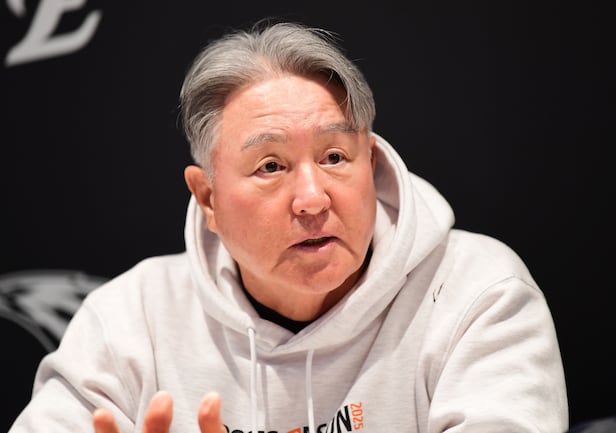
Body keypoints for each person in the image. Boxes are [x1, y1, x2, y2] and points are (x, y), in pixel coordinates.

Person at [9, 20, 568, 433]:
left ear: (371, 164)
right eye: (271, 166)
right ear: (208, 198)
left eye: (334, 157)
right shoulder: (130, 318)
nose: (312, 198)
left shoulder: (477, 293)